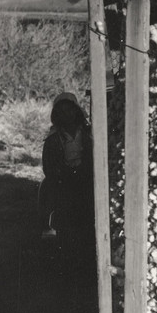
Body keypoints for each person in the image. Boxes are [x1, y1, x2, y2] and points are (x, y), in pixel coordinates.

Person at [40, 92, 94, 274]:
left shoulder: (87, 133)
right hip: (64, 182)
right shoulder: (54, 139)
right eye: (61, 111)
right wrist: (63, 176)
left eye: (69, 110)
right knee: (63, 216)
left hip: (86, 179)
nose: (66, 115)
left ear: (76, 111)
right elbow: (48, 165)